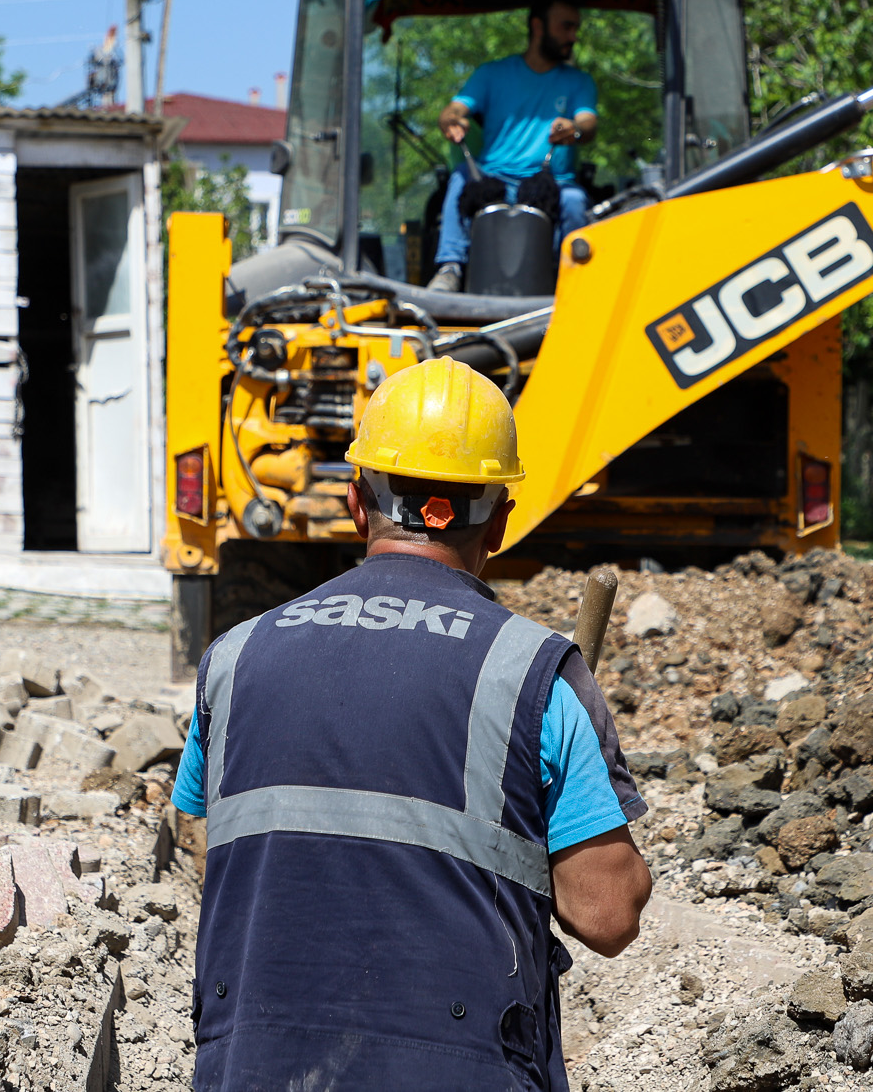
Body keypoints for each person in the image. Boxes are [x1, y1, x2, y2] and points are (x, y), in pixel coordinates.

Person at [173, 357, 652, 1089]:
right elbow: (607, 912)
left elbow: (216, 846)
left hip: (253, 1064)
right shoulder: (533, 676)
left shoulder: (233, 659)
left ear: (356, 503)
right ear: (500, 519)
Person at [428, 0, 599, 291]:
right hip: (493, 177)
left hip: (553, 183)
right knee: (460, 178)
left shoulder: (579, 82)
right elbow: (453, 111)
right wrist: (452, 121)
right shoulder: (492, 73)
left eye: (576, 28)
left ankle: (572, 282)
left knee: (574, 201)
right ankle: (450, 268)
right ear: (537, 26)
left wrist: (575, 129)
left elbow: (588, 123)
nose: (573, 36)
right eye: (566, 27)